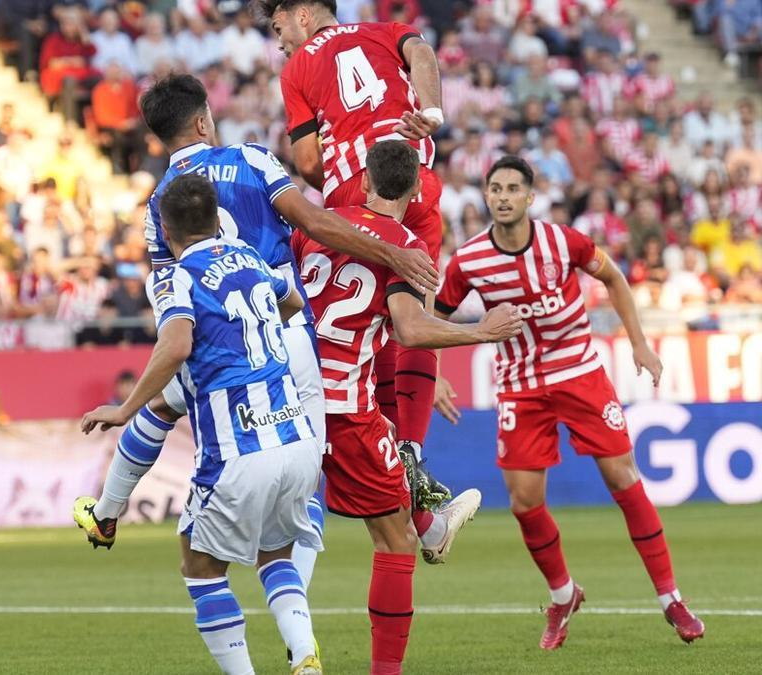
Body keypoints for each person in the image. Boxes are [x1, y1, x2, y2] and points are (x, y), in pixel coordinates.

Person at [72, 73, 437, 590]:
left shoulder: (159, 204)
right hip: (284, 333)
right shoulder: (252, 160)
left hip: (215, 346)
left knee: (160, 406)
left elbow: (170, 297)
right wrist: (392, 252)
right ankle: (300, 628)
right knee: (303, 477)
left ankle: (108, 510)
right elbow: (314, 221)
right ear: (203, 120)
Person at [433, 156, 706, 649]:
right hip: (519, 383)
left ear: (530, 197)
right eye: (495, 188)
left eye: (513, 188)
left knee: (624, 479)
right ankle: (563, 595)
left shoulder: (564, 242)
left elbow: (615, 278)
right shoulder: (469, 261)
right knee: (524, 502)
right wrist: (433, 374)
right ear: (486, 195)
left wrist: (639, 342)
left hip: (580, 374)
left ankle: (672, 599)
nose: (502, 196)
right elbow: (436, 315)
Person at [292, 141, 522, 675]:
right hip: (345, 405)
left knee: (303, 533)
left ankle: (430, 524)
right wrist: (481, 330)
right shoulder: (407, 247)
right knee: (395, 542)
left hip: (289, 399)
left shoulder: (319, 226)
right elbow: (411, 329)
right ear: (417, 188)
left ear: (365, 180)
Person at [80, 174, 324, 675]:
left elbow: (175, 345)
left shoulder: (176, 277)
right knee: (275, 555)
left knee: (200, 565)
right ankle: (304, 656)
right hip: (296, 439)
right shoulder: (252, 257)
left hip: (239, 447)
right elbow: (295, 303)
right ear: (217, 219)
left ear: (165, 231)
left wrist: (123, 408)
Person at [259, 0, 457, 529]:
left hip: (357, 194)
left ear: (302, 15)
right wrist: (431, 112)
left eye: (279, 28)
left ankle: (400, 480)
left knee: (364, 328)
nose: (280, 41)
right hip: (416, 177)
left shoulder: (298, 67)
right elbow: (423, 54)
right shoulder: (385, 30)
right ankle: (410, 452)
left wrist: (344, 156)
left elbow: (305, 163)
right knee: (415, 317)